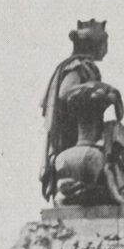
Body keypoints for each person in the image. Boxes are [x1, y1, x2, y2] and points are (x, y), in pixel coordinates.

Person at [40, 19, 107, 201]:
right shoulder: (78, 66)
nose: (106, 49)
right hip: (74, 137)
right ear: (94, 45)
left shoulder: (85, 66)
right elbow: (65, 93)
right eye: (104, 44)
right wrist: (95, 88)